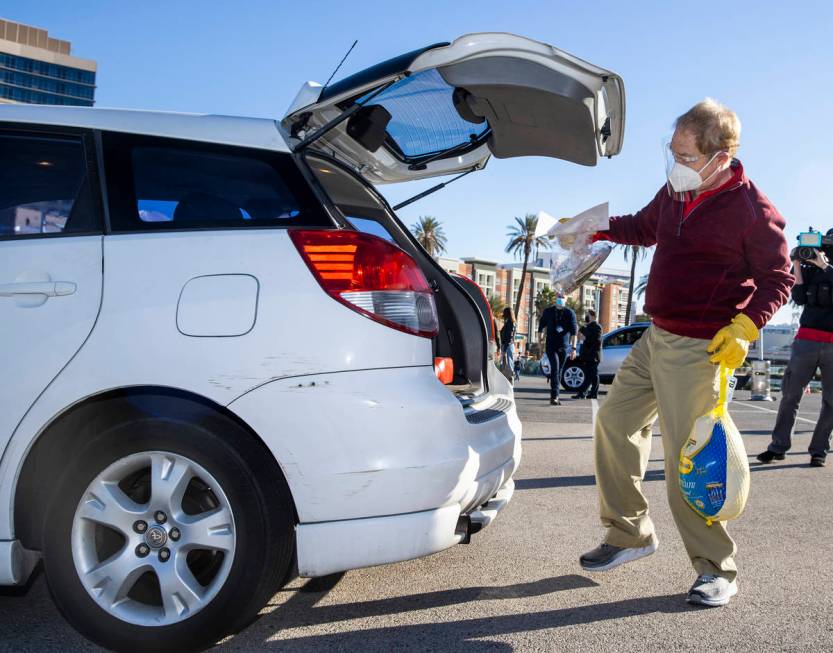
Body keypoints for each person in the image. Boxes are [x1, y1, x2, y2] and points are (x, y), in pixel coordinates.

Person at [567, 99, 792, 607]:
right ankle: (630, 535)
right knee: (614, 424)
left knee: (691, 461)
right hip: (655, 336)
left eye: (686, 156)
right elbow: (644, 227)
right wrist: (594, 228)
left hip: (701, 348)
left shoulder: (752, 211)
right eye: (673, 152)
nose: (676, 165)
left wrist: (744, 327)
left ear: (721, 156)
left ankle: (717, 569)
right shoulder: (674, 191)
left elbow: (780, 278)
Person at [758, 240, 833, 468]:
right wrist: (798, 264)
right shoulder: (809, 267)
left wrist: (826, 267)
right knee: (790, 395)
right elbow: (799, 297)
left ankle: (819, 450)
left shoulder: (825, 268)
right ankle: (778, 447)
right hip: (806, 340)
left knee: (831, 401)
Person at [537, 292, 578, 405]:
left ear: (566, 299)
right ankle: (554, 397)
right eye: (559, 297)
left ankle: (556, 396)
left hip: (564, 347)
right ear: (555, 298)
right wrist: (540, 346)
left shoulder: (570, 313)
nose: (560, 299)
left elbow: (574, 332)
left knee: (559, 371)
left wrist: (573, 348)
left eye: (562, 297)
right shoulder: (548, 312)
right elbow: (540, 328)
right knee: (555, 368)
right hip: (551, 345)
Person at [574, 309, 602, 399]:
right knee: (593, 376)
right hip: (586, 355)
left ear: (593, 316)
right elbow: (580, 337)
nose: (586, 316)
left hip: (593, 355)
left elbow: (596, 340)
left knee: (590, 375)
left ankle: (582, 393)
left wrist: (585, 335)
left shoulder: (597, 327)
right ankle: (593, 394)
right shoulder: (587, 326)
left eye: (588, 315)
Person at [499, 307, 516, 383]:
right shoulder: (510, 323)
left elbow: (509, 337)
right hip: (508, 345)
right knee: (507, 363)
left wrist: (505, 348)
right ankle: (508, 380)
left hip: (508, 345)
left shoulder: (510, 323)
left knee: (508, 364)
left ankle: (509, 380)